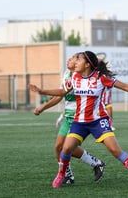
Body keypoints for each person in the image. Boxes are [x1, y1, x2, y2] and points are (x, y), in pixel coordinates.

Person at [28, 51, 128, 189]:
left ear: (87, 64)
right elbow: (61, 92)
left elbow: (125, 86)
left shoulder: (101, 78)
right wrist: (41, 91)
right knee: (66, 148)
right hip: (79, 122)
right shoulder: (74, 78)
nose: (76, 62)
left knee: (115, 150)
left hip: (98, 121)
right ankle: (61, 175)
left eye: (78, 59)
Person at [34, 53, 106, 185]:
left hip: (79, 117)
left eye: (74, 58)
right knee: (58, 147)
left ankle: (96, 163)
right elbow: (60, 95)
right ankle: (68, 175)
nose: (70, 59)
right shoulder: (68, 74)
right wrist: (43, 108)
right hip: (68, 116)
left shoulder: (83, 76)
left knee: (67, 148)